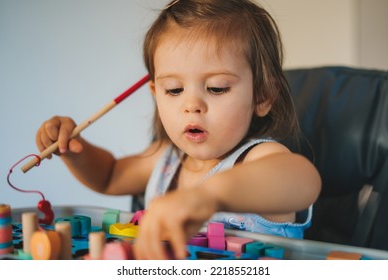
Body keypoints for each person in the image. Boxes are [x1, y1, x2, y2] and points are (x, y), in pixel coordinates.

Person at [35, 0, 321, 259]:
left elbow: (304, 182)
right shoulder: (165, 159)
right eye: (173, 90)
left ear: (262, 96)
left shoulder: (260, 158)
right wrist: (75, 150)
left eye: (216, 88)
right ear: (155, 92)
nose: (191, 104)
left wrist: (208, 196)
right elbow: (109, 176)